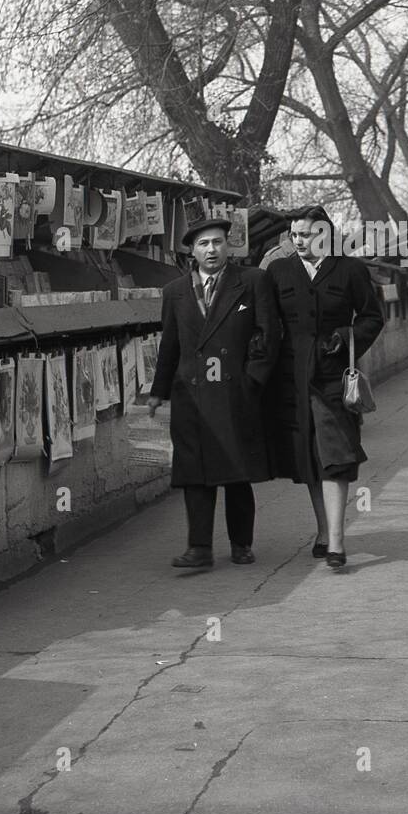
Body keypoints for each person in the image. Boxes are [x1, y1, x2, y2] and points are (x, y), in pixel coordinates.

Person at [147, 216, 281, 568]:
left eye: (218, 242)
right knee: (195, 473)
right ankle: (199, 548)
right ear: (191, 251)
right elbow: (170, 345)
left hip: (236, 394)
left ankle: (241, 544)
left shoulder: (252, 282)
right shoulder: (175, 292)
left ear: (228, 246)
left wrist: (252, 380)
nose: (212, 249)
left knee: (237, 473)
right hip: (191, 396)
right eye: (204, 244)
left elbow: (270, 335)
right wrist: (159, 391)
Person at [265, 206, 385, 569]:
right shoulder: (277, 271)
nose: (299, 241)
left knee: (335, 457)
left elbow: (373, 317)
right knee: (310, 460)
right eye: (294, 235)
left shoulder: (350, 270)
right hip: (292, 381)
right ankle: (322, 531)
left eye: (307, 234)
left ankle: (336, 542)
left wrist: (346, 337)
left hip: (335, 377)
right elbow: (265, 324)